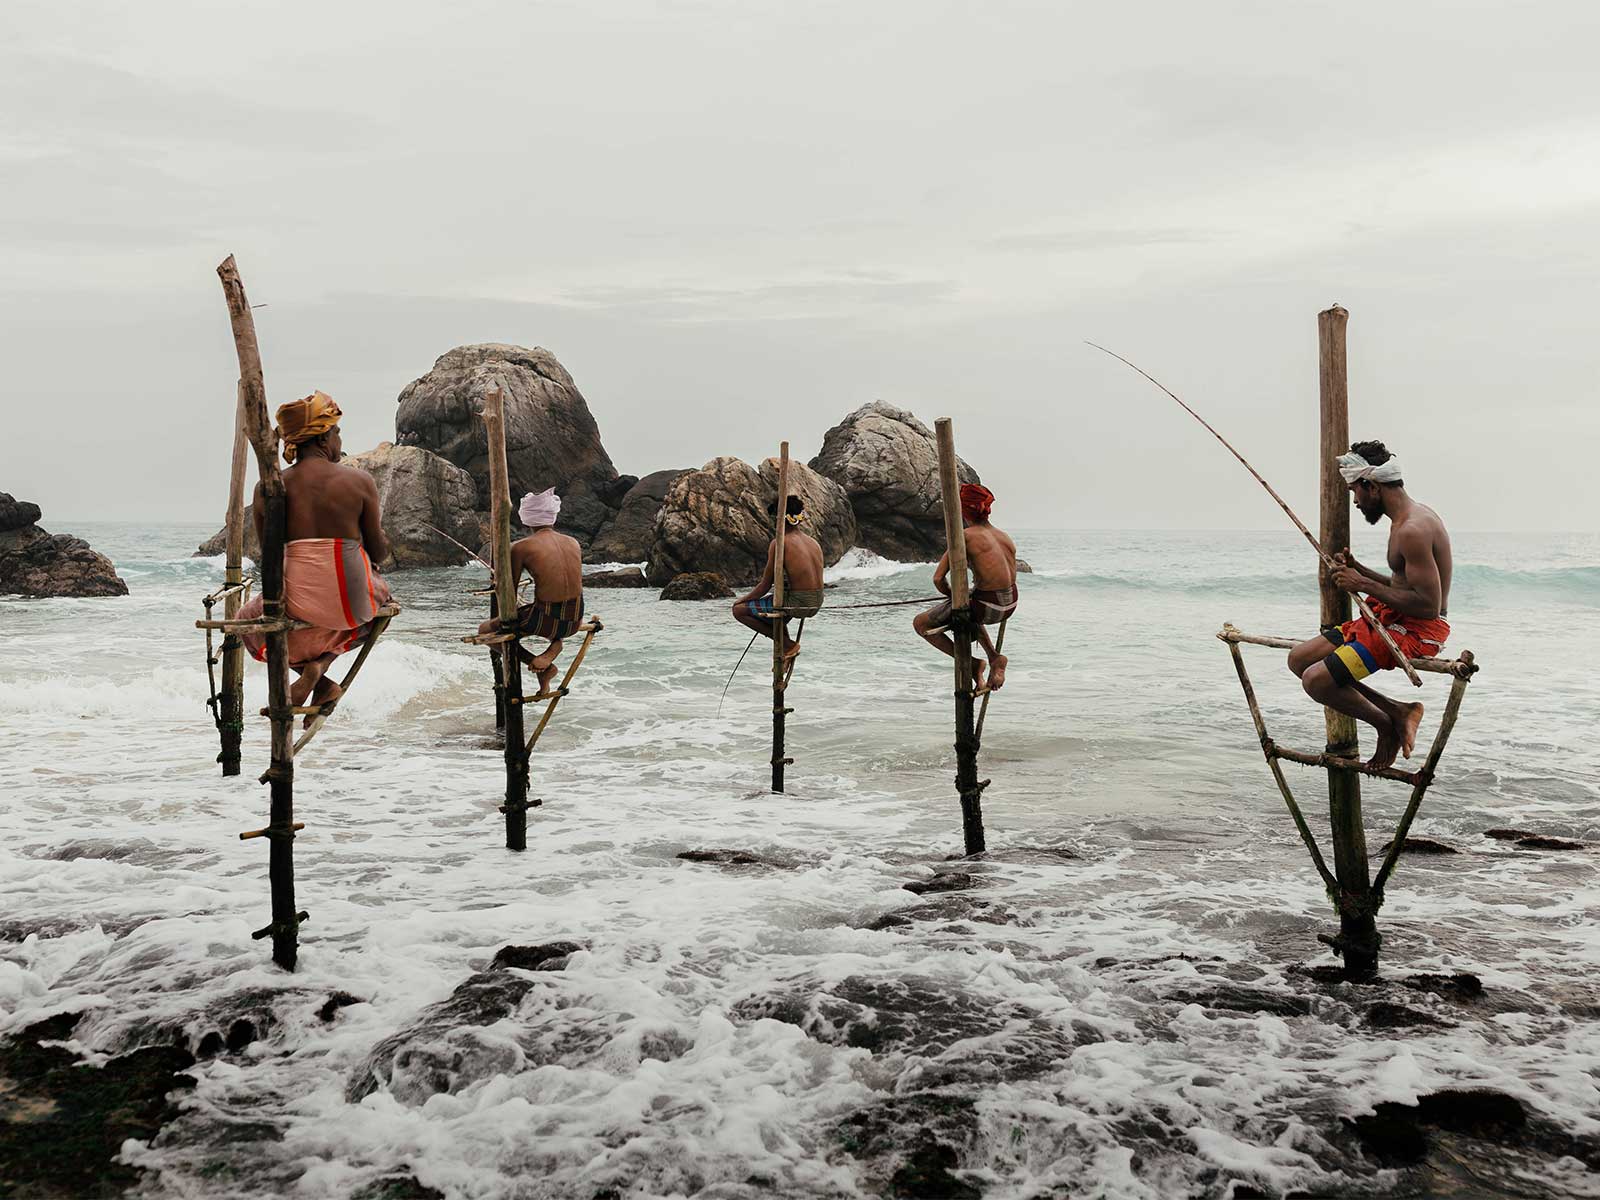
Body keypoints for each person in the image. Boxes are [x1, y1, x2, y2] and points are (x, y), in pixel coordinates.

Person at [1286, 440, 1453, 769]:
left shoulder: (1412, 529)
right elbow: (1404, 585)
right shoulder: (1406, 519)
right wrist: (1360, 571)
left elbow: (1429, 606)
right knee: (1299, 660)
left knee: (1316, 681)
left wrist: (1362, 585)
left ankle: (1385, 726)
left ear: (1372, 486)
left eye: (1355, 490)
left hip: (1417, 630)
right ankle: (1398, 710)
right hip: (1391, 615)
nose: (1355, 501)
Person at [238, 392, 394, 726]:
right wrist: (376, 543)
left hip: (296, 605)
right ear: (323, 438)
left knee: (246, 622)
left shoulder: (269, 487)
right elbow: (379, 552)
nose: (339, 441)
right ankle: (320, 670)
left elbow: (269, 555)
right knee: (384, 607)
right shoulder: (359, 481)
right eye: (337, 432)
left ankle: (314, 677)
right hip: (353, 607)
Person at [476, 487, 585, 698]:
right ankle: (555, 645)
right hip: (575, 619)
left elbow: (509, 591)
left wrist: (497, 580)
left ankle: (542, 665)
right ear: (552, 516)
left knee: (485, 631)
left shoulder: (521, 547)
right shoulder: (573, 542)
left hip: (546, 620)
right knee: (541, 611)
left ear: (526, 519)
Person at [913, 482, 1017, 691]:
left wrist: (952, 596)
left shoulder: (965, 537)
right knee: (970, 602)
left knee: (920, 624)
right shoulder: (1003, 536)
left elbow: (938, 579)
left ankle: (972, 664)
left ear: (963, 510)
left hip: (988, 607)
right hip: (1010, 604)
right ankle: (994, 657)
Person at [732, 495, 825, 662]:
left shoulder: (779, 543)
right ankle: (786, 649)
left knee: (739, 611)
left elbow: (765, 585)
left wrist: (741, 601)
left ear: (778, 519)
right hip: (817, 602)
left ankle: (788, 645)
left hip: (798, 604)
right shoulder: (813, 542)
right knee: (777, 607)